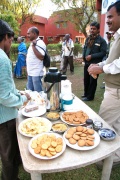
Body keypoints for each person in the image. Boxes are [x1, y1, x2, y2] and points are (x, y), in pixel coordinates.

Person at [88, 1, 120, 165]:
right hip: (114, 89)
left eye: (110, 16)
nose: (107, 21)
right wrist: (99, 65)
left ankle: (107, 159)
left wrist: (102, 69)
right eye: (106, 17)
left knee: (104, 123)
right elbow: (111, 60)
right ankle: (116, 156)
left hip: (116, 92)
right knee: (116, 125)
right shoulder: (117, 35)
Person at [0, 19, 31, 180]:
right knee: (8, 156)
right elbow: (4, 96)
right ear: (5, 37)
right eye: (11, 38)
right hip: (4, 118)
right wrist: (22, 100)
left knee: (8, 153)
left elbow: (4, 87)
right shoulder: (2, 59)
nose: (11, 42)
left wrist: (17, 92)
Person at [81, 22, 107, 101]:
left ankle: (90, 96)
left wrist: (92, 56)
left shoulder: (102, 41)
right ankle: (86, 94)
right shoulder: (88, 38)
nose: (92, 30)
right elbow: (85, 48)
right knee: (86, 79)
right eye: (91, 28)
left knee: (92, 81)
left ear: (98, 30)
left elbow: (103, 53)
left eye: (94, 29)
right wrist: (83, 56)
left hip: (95, 64)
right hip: (87, 63)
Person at [26, 27, 46, 92]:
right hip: (31, 72)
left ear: (34, 34)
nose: (27, 35)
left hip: (36, 73)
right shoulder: (33, 43)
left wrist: (33, 46)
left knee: (38, 94)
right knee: (30, 92)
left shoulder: (40, 43)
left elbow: (41, 57)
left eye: (29, 34)